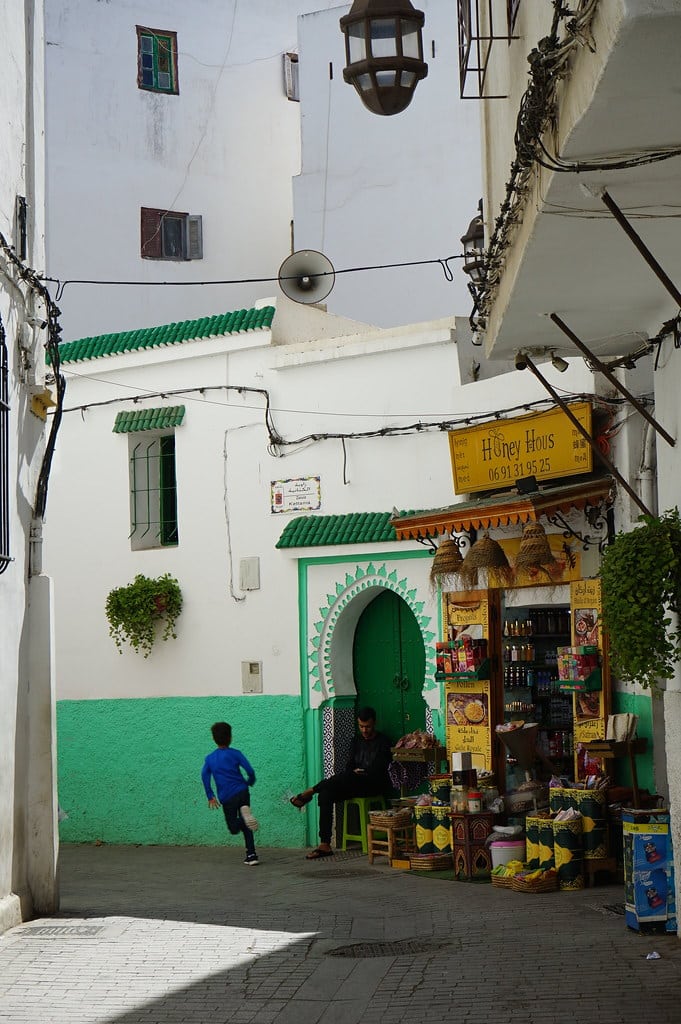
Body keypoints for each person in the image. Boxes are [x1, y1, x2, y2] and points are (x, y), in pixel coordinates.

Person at [290, 706, 392, 859]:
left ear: (374, 723)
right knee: (325, 794)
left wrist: (361, 772)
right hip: (354, 782)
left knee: (349, 776)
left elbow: (379, 769)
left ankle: (309, 792)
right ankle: (325, 844)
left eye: (368, 726)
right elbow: (349, 765)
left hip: (373, 785)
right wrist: (354, 772)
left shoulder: (383, 742)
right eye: (361, 726)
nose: (364, 730)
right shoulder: (356, 741)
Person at [201, 721, 260, 866]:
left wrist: (210, 795)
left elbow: (204, 776)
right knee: (247, 824)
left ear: (214, 738)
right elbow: (250, 771)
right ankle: (251, 855)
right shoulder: (236, 754)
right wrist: (249, 782)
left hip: (227, 797)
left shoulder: (210, 758)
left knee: (234, 827)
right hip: (242, 791)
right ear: (230, 737)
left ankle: (243, 821)